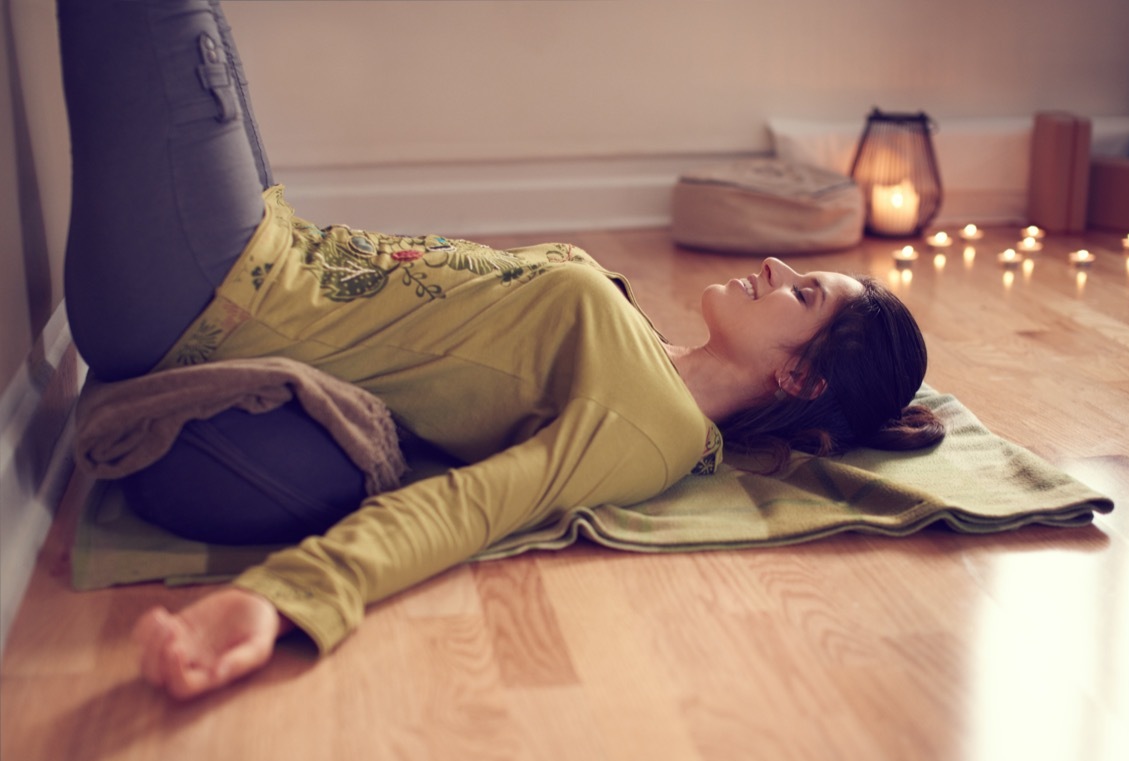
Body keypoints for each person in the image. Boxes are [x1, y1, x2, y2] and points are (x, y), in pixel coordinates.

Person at [57, 0, 944, 700]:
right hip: (265, 245)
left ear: (798, 373)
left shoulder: (649, 429)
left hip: (210, 293)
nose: (776, 265)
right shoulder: (649, 353)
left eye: (804, 292)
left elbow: (469, 510)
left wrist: (277, 600)